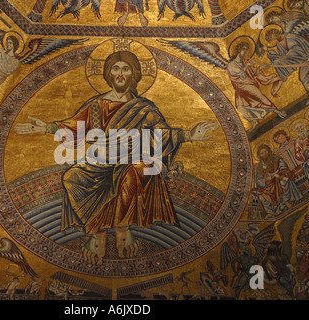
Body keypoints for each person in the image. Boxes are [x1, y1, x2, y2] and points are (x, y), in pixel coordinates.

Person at [15, 50, 217, 266]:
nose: (120, 74)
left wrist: (188, 136)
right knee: (71, 177)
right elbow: (76, 127)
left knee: (136, 169)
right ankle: (96, 230)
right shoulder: (96, 105)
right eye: (116, 68)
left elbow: (161, 134)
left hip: (133, 160)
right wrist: (47, 127)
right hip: (101, 162)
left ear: (134, 74)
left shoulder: (144, 108)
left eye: (126, 69)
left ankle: (122, 227)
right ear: (108, 74)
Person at [227, 41, 286, 128]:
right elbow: (242, 76)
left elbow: (253, 72)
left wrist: (260, 67)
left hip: (248, 85)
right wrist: (247, 66)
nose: (245, 52)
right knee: (240, 107)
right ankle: (254, 121)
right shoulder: (231, 65)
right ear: (238, 50)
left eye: (246, 50)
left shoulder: (245, 62)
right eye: (243, 49)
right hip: (240, 87)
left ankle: (277, 111)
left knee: (260, 96)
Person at [253, 144, 303, 216]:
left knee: (281, 182)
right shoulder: (260, 166)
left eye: (265, 151)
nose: (264, 154)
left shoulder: (276, 159)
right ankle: (271, 212)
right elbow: (259, 180)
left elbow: (283, 167)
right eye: (261, 153)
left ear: (269, 151)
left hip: (279, 177)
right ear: (259, 156)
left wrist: (277, 174)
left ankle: (286, 202)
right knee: (262, 195)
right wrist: (265, 180)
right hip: (269, 184)